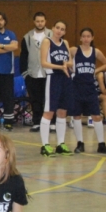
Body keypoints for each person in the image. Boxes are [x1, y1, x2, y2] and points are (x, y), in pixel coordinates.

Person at [70, 28, 106, 154]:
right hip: (76, 87)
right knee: (76, 116)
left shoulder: (96, 51)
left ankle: (101, 144)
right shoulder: (74, 50)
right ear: (80, 38)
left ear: (92, 38)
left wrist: (96, 70)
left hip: (90, 88)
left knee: (96, 116)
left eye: (88, 36)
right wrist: (70, 67)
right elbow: (65, 59)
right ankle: (80, 143)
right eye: (84, 36)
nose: (86, 38)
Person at [39, 21, 73, 157]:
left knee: (62, 112)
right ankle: (45, 145)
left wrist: (66, 64)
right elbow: (43, 63)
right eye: (57, 28)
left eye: (62, 29)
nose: (59, 31)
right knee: (49, 112)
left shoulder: (65, 43)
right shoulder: (47, 41)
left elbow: (70, 62)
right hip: (53, 78)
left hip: (65, 79)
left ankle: (60, 144)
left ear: (65, 32)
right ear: (53, 28)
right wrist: (61, 66)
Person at [20, 12, 53, 132]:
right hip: (33, 74)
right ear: (34, 22)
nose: (40, 23)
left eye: (42, 21)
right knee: (35, 99)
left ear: (45, 21)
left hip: (48, 73)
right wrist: (25, 74)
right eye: (37, 21)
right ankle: (37, 122)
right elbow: (23, 57)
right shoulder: (27, 37)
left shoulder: (52, 35)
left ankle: (52, 122)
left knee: (49, 99)